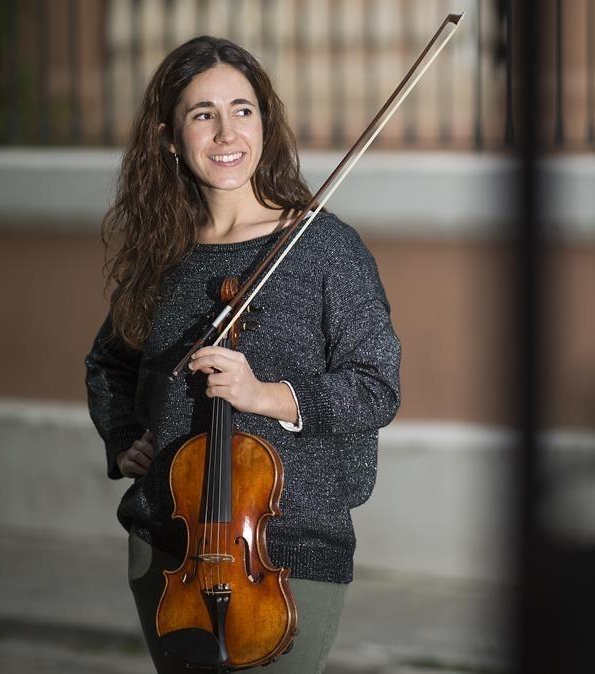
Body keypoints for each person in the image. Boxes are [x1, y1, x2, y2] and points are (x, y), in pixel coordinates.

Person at [85, 35, 401, 673]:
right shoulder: (163, 256)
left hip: (286, 550)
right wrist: (123, 436)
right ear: (170, 137)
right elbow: (110, 363)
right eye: (203, 113)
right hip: (168, 551)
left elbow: (376, 387)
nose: (226, 132)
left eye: (243, 109)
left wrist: (268, 396)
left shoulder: (323, 250)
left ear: (265, 122)